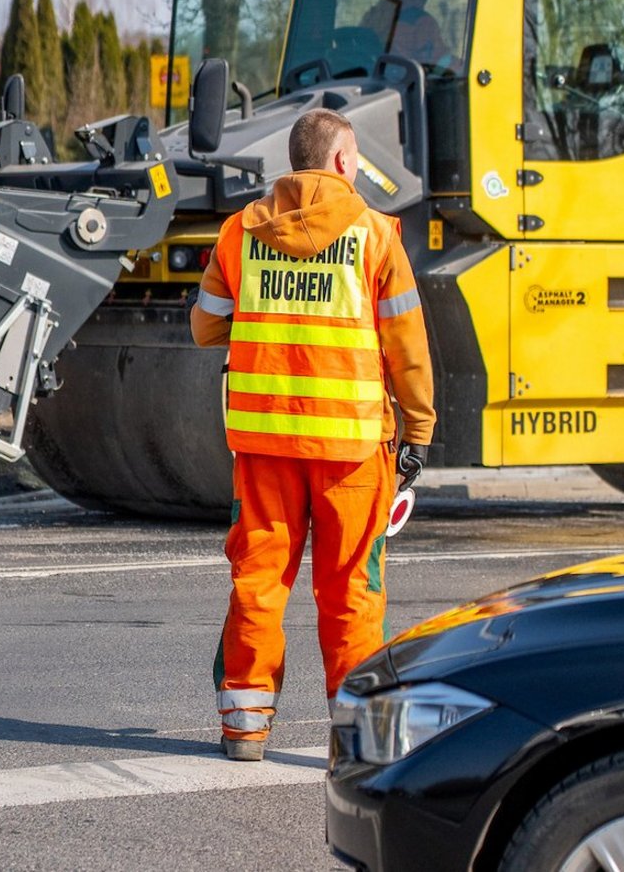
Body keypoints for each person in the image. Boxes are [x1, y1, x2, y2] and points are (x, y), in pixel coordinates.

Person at [190, 107, 436, 761]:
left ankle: (245, 727)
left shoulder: (242, 232)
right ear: (342, 161)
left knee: (259, 580)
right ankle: (357, 740)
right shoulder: (375, 235)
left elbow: (205, 326)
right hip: (352, 450)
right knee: (352, 589)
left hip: (264, 445)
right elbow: (407, 349)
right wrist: (419, 427)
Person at [361, 0, 456, 69]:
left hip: (371, 76)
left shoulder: (372, 15)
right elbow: (438, 64)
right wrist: (462, 67)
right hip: (404, 78)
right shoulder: (422, 22)